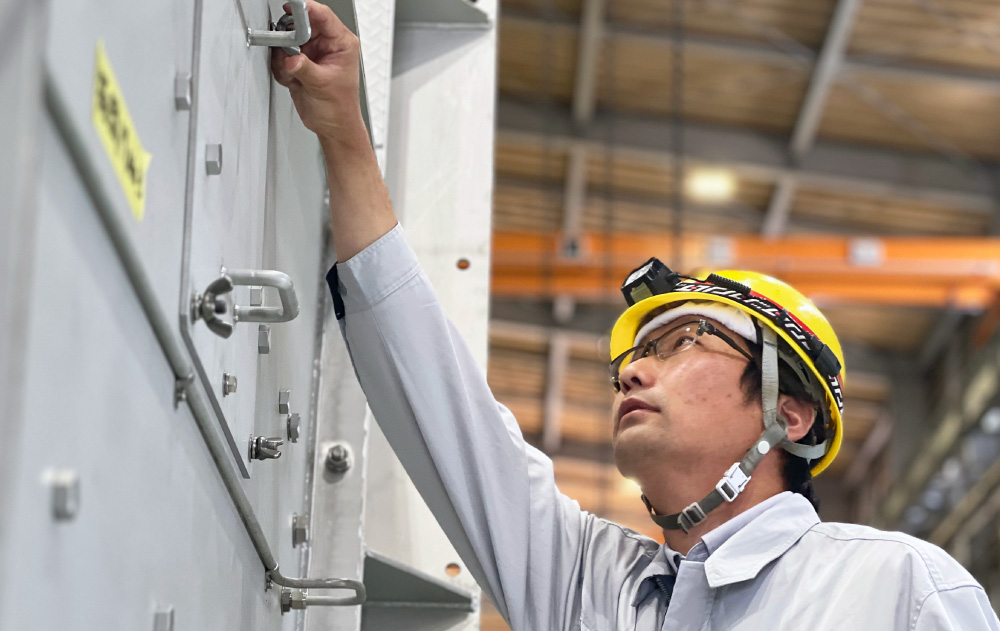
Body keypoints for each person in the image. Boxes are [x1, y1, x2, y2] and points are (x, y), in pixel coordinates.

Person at [271, 2, 1000, 628]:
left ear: (791, 412)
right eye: (632, 357)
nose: (634, 372)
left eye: (686, 340)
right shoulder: (587, 582)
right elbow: (435, 397)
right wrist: (344, 133)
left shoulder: (894, 589)